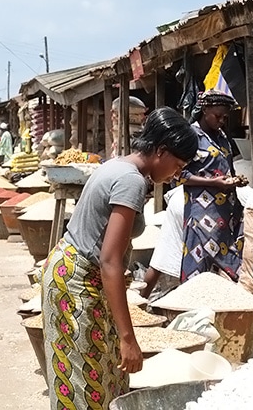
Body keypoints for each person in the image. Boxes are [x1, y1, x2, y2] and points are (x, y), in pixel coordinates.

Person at [41, 107, 198, 410]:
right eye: (177, 165)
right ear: (161, 151)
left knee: (104, 373)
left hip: (74, 271)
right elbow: (109, 261)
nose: (176, 174)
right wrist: (128, 338)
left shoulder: (117, 165)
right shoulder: (131, 181)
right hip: (77, 281)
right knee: (86, 382)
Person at [176, 90, 245, 283]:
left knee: (230, 264)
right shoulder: (191, 136)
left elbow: (227, 168)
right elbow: (178, 175)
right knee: (197, 268)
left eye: (225, 117)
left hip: (226, 213)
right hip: (202, 215)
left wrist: (235, 180)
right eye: (218, 116)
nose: (221, 121)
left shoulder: (222, 136)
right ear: (204, 110)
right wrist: (213, 183)